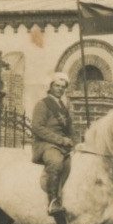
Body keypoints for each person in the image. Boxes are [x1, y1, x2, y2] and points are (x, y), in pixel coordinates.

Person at [30, 74, 77, 216]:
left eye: (63, 87)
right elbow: (37, 128)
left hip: (61, 146)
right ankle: (52, 202)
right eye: (57, 86)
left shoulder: (64, 107)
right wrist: (61, 140)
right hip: (45, 144)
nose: (60, 89)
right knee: (56, 162)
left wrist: (76, 143)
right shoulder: (43, 104)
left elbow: (71, 130)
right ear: (50, 87)